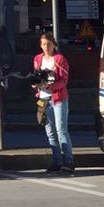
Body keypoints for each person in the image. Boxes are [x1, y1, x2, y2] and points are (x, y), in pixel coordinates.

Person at [34, 34, 73, 172]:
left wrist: (52, 86)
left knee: (61, 130)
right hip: (43, 99)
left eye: (49, 44)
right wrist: (37, 85)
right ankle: (57, 161)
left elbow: (64, 80)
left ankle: (68, 161)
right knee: (49, 131)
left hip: (58, 98)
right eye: (43, 44)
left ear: (54, 45)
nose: (46, 47)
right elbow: (36, 75)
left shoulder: (60, 59)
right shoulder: (38, 59)